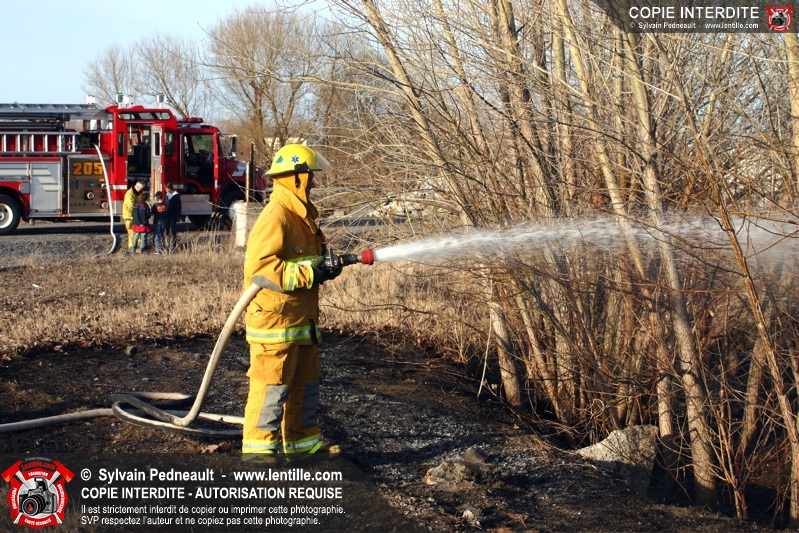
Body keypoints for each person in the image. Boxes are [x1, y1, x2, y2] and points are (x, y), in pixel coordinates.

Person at [242, 144, 343, 463]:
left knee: (305, 384)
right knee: (271, 388)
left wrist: (324, 267)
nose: (314, 182)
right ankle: (258, 454)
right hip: (275, 323)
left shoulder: (301, 217)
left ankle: (303, 446)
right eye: (310, 176)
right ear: (296, 177)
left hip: (300, 321)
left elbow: (305, 261)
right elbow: (261, 270)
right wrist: (309, 272)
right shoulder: (277, 216)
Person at [122, 181, 146, 249]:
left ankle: (134, 248)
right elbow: (131, 206)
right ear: (137, 186)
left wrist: (147, 204)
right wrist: (138, 213)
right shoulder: (129, 194)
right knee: (133, 234)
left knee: (135, 234)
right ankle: (134, 248)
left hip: (134, 217)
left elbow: (142, 200)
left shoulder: (137, 193)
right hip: (130, 218)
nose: (141, 190)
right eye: (141, 189)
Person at [165, 184, 182, 251]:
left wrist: (178, 216)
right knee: (166, 231)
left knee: (173, 231)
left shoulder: (176, 196)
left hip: (173, 216)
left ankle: (173, 245)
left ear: (170, 188)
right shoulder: (167, 195)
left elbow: (179, 207)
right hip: (167, 215)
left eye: (167, 188)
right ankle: (167, 245)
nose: (166, 190)